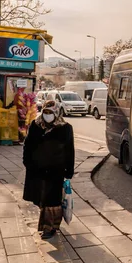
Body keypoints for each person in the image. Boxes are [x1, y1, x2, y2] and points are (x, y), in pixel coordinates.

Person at [23, 100, 75, 240]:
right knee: (42, 199)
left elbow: (70, 150)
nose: (47, 115)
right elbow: (27, 145)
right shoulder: (36, 125)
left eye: (50, 113)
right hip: (37, 170)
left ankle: (49, 227)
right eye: (45, 112)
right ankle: (49, 225)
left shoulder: (65, 128)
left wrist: (69, 171)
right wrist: (27, 162)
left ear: (56, 112)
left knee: (52, 200)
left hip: (55, 170)